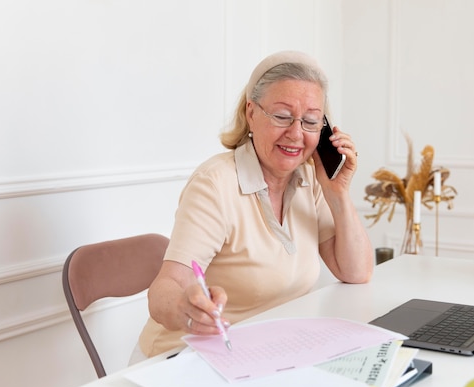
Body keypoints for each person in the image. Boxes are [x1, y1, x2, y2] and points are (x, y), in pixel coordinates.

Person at [135, 50, 374, 359]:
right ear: (251, 112)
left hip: (267, 353)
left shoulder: (310, 178)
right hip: (187, 358)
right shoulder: (214, 184)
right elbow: (165, 289)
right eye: (282, 116)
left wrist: (337, 193)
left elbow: (356, 272)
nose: (296, 133)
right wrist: (186, 308)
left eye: (311, 121)